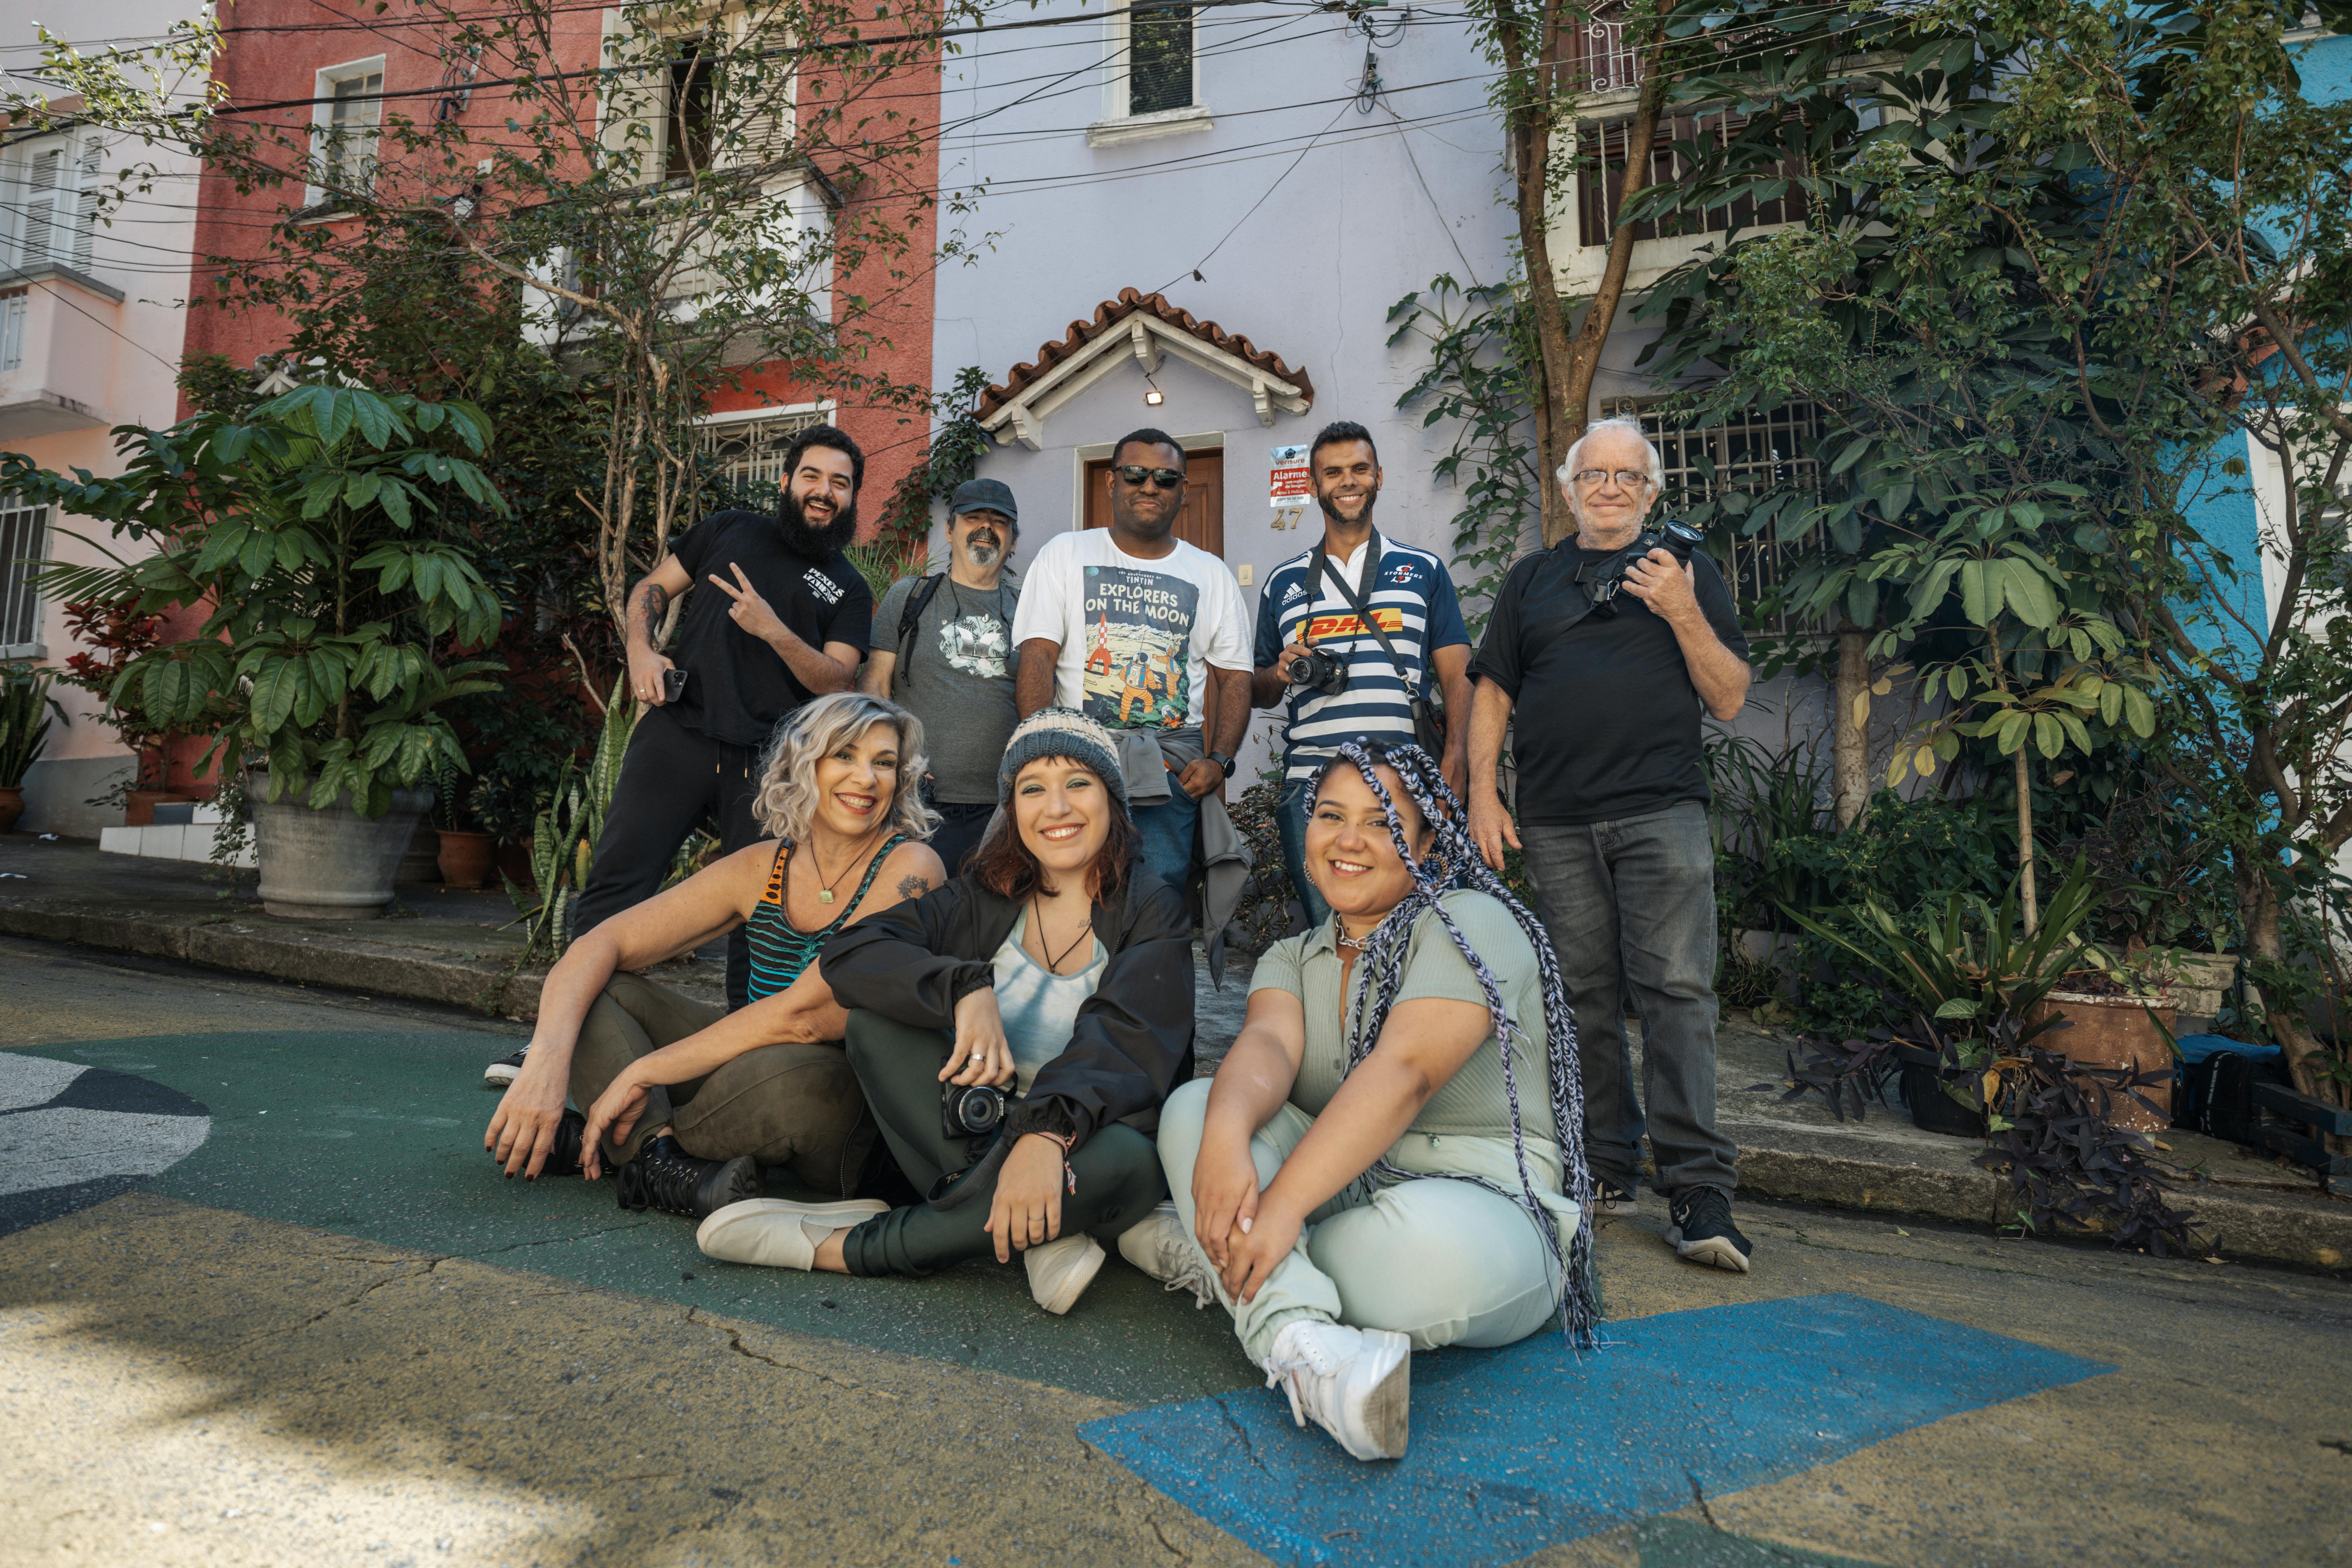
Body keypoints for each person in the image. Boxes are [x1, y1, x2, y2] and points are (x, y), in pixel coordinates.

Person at [1136, 742, 1597, 1462]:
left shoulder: (1468, 920)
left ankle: (1215, 1253)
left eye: (1382, 822)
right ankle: (1304, 1346)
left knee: (1423, 1258)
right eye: (1329, 815)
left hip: (1484, 1203)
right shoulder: (1294, 954)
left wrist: (1278, 1206)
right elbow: (1265, 1050)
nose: (1348, 839)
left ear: (1428, 848)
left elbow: (1406, 1069)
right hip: (1340, 1185)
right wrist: (1225, 1141)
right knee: (1197, 1106)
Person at [693, 708, 1190, 1317]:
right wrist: (964, 986)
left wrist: (1046, 1132)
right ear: (1013, 809)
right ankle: (1045, 1227)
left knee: (1130, 1161)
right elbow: (854, 952)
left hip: (1086, 1138)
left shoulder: (1153, 908)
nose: (1056, 808)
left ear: (1113, 801)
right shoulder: (983, 895)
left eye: (1078, 784)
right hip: (968, 1128)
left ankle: (843, 1247)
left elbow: (1126, 1038)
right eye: (1033, 789)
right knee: (875, 1021)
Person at [486, 424, 875, 1086]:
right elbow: (653, 587)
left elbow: (839, 681)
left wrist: (773, 630)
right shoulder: (729, 530)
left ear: (851, 498)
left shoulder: (848, 588)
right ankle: (559, 1046)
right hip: (680, 734)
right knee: (614, 888)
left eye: (840, 483)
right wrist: (641, 648)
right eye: (812, 476)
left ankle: (737, 1069)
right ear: (786, 481)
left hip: (773, 767)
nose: (824, 492)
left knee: (760, 920)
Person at [1464, 415, 1756, 1273]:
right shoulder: (1533, 581)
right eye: (1595, 475)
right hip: (1555, 819)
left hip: (1661, 811)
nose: (1611, 489)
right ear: (1567, 489)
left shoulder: (1686, 572)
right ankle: (1606, 1164)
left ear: (1653, 491)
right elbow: (1492, 689)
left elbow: (1730, 695)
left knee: (1676, 993)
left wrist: (1679, 609)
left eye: (1630, 477)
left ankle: (1700, 1188)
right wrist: (1485, 793)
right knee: (1583, 996)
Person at [483, 693, 945, 1222]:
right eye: (844, 755)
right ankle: (656, 1161)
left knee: (789, 1074)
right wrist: (544, 1064)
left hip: (838, 1107)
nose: (866, 778)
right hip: (743, 1077)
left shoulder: (912, 868)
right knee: (601, 987)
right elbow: (599, 944)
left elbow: (808, 1019)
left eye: (883, 763)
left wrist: (640, 1074)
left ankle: (619, 1142)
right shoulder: (762, 866)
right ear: (806, 764)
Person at [1010, 429, 1251, 896]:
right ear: (1111, 482)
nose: (1149, 487)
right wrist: (1041, 751)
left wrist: (1220, 761)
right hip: (1078, 757)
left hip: (1169, 768)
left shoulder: (1211, 574)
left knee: (1158, 899)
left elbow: (1236, 677)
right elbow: (1038, 656)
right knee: (1070, 892)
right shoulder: (1065, 554)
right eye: (1136, 474)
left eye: (1165, 479)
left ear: (1183, 491)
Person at [1252, 420, 1472, 929]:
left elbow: (1458, 675)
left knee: (1426, 935)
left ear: (1379, 477)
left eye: (1359, 469)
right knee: (1333, 938)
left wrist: (1457, 758)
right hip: (1312, 786)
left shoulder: (1422, 570)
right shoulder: (1284, 582)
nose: (1347, 481)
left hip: (1408, 786)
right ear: (1312, 485)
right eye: (1332, 473)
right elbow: (1257, 691)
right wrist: (1283, 670)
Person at [861, 478, 1022, 877]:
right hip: (920, 801)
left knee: (987, 926)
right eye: (973, 518)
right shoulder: (909, 597)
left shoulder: (1030, 609)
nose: (986, 528)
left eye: (999, 522)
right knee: (917, 916)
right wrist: (895, 758)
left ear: (1013, 540)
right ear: (950, 531)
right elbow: (874, 687)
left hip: (1006, 807)